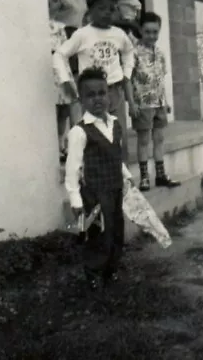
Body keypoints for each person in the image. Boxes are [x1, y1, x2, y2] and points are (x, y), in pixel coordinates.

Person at [65, 66, 133, 288]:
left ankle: (111, 270)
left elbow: (116, 156)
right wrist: (75, 199)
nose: (97, 99)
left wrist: (126, 175)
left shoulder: (115, 124)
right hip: (94, 194)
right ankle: (93, 274)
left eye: (102, 93)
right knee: (98, 235)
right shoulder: (79, 131)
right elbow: (73, 169)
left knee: (115, 231)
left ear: (109, 95)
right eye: (90, 95)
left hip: (115, 189)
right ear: (81, 100)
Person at [53, 0, 137, 162]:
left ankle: (121, 180)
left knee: (118, 137)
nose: (107, 13)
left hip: (114, 92)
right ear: (90, 12)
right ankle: (99, 180)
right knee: (95, 137)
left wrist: (126, 75)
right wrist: (65, 81)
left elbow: (129, 52)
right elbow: (59, 55)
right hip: (93, 95)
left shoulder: (118, 34)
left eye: (111, 9)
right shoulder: (82, 34)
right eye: (101, 8)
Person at [131, 12, 180, 191]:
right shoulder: (134, 53)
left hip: (159, 103)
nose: (151, 36)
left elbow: (160, 79)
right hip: (143, 103)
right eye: (147, 32)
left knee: (159, 139)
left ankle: (160, 175)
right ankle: (144, 178)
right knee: (143, 140)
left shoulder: (160, 53)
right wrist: (131, 103)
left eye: (155, 32)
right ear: (140, 31)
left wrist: (165, 101)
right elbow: (127, 79)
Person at [48, 0, 79, 163]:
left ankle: (61, 143)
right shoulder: (41, 27)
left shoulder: (61, 27)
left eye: (57, 1)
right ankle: (55, 145)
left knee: (64, 110)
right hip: (50, 71)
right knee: (53, 110)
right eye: (52, 0)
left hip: (62, 71)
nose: (55, 4)